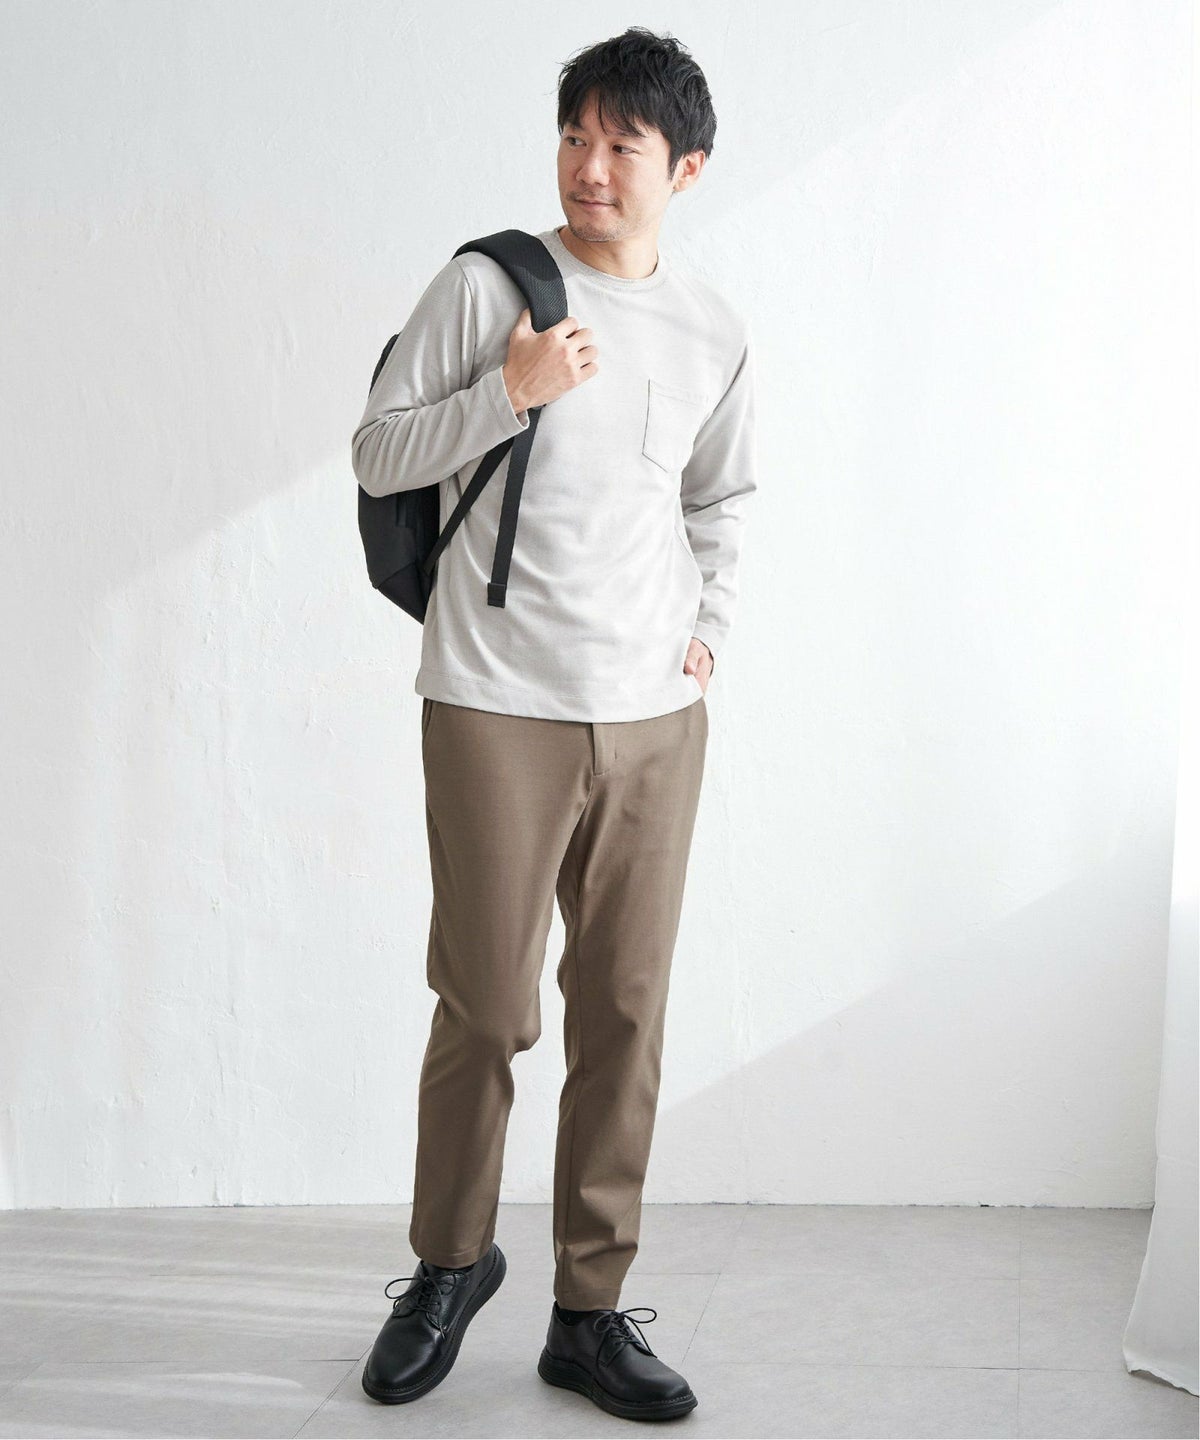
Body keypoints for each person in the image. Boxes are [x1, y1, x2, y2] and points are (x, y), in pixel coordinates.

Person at [350, 25, 756, 1423]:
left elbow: (723, 497)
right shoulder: (488, 286)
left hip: (653, 718)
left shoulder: (712, 329)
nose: (589, 167)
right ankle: (449, 1266)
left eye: (621, 145)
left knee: (625, 1013)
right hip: (494, 702)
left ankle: (589, 1310)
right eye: (574, 136)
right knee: (485, 1006)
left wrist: (711, 630)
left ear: (683, 169)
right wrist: (505, 392)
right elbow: (376, 452)